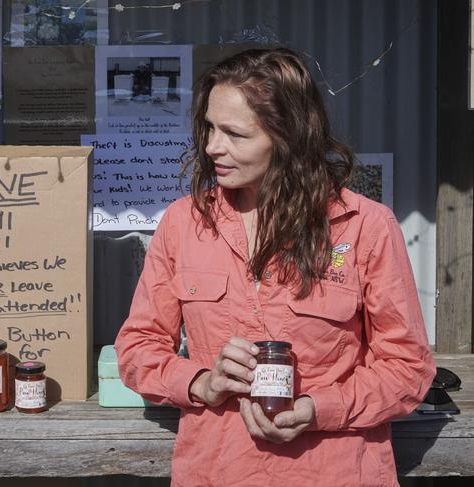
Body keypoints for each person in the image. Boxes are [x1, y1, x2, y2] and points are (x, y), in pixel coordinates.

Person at [114, 47, 435, 486]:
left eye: (235, 134)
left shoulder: (365, 227)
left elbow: (407, 368)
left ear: (289, 138)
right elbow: (137, 348)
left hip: (334, 472)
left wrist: (317, 409)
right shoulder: (184, 224)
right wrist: (201, 382)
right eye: (209, 128)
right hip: (218, 469)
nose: (212, 147)